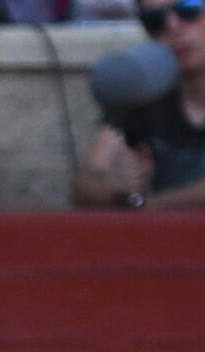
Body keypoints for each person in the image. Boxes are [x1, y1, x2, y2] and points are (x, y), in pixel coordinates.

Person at [78, 2, 205, 210]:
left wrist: (148, 204)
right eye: (156, 19)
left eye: (187, 9)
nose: (172, 26)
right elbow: (86, 183)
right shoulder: (148, 93)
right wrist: (117, 188)